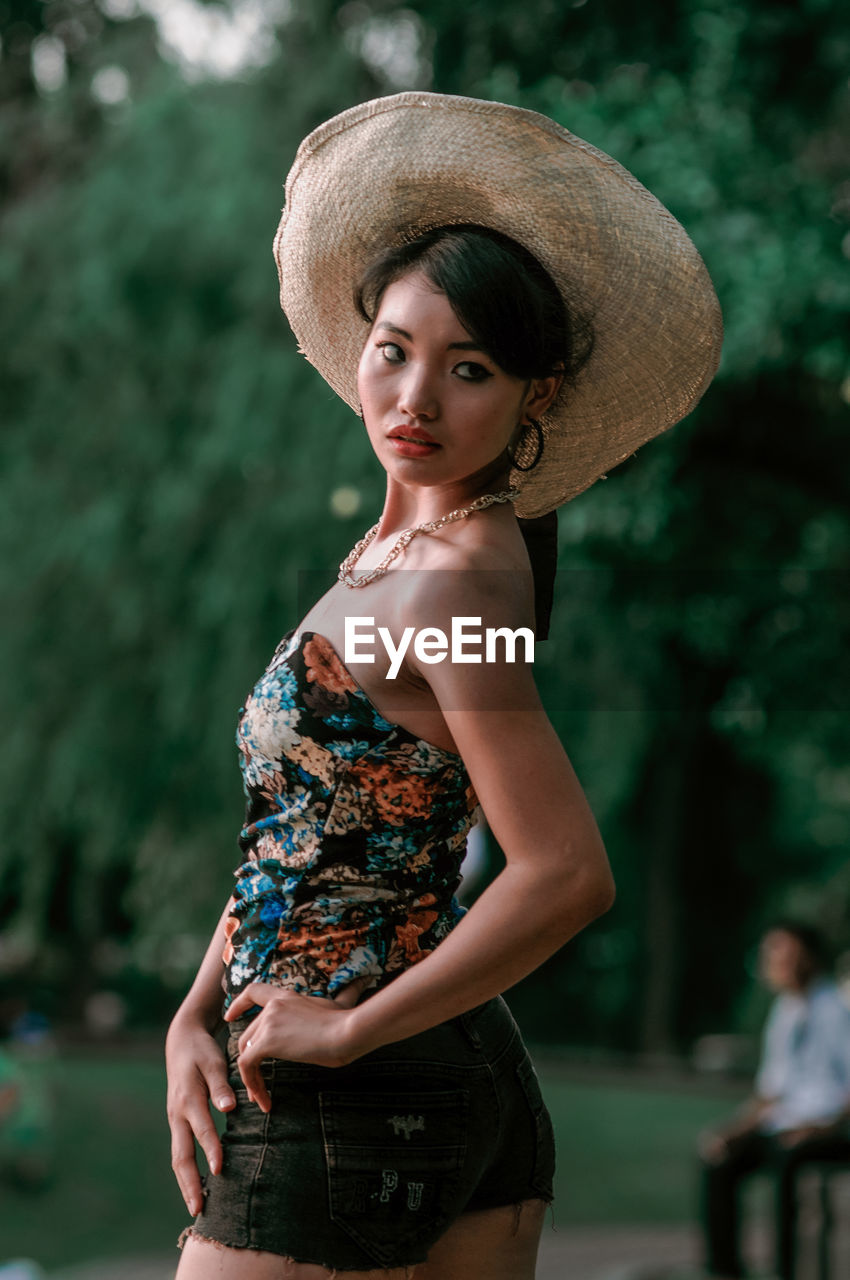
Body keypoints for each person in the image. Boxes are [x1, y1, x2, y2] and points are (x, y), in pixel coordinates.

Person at [166, 91, 722, 1279]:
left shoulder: (458, 582)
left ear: (538, 395)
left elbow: (566, 871)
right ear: (360, 343)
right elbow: (313, 830)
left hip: (352, 1089)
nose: (415, 399)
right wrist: (191, 1008)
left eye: (468, 368)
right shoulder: (424, 566)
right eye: (396, 350)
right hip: (433, 1078)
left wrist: (353, 1025)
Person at [698, 921, 850, 1280]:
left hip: (830, 1130)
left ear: (807, 958)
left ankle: (787, 1270)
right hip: (788, 1126)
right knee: (720, 1161)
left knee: (788, 1159)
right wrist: (734, 1130)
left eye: (781, 951)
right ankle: (725, 1270)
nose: (772, 961)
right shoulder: (784, 1013)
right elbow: (772, 1093)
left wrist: (820, 1128)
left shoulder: (836, 1011)